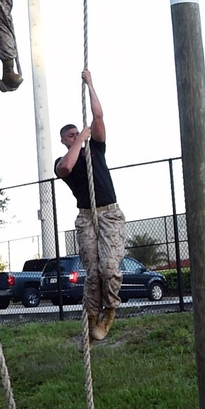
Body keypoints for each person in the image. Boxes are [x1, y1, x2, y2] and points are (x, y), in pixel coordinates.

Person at [55, 69, 126, 342]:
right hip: (86, 217)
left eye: (76, 133)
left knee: (109, 269)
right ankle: (91, 318)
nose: (75, 137)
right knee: (93, 273)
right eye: (70, 136)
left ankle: (110, 312)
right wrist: (79, 140)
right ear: (64, 140)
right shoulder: (64, 162)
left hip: (109, 214)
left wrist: (90, 84)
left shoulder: (96, 149)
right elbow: (67, 166)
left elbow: (98, 117)